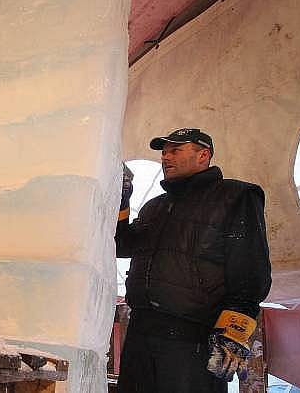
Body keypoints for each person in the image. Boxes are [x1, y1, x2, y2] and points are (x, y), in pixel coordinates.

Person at [115, 128, 271, 392]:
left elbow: (250, 270)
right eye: (164, 152)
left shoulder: (235, 196)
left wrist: (233, 333)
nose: (165, 157)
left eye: (175, 150)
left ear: (203, 155)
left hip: (193, 341)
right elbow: (122, 244)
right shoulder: (156, 206)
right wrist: (122, 200)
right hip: (140, 333)